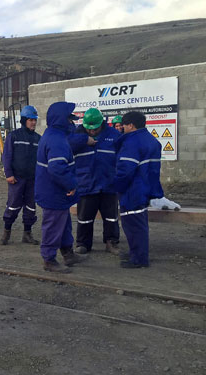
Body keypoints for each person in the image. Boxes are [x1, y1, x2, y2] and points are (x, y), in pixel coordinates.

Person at [35, 102, 84, 273]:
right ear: (62, 120)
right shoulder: (57, 140)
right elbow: (57, 168)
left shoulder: (53, 135)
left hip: (53, 190)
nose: (73, 122)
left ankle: (68, 254)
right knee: (53, 225)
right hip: (54, 191)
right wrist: (70, 185)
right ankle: (48, 260)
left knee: (63, 224)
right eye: (70, 119)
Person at [112, 111, 164, 268]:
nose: (122, 129)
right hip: (146, 188)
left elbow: (125, 169)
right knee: (140, 223)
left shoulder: (132, 142)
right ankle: (138, 252)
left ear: (131, 125)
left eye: (124, 125)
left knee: (133, 225)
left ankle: (139, 259)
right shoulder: (151, 140)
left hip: (132, 190)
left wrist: (117, 186)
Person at [68, 108, 121, 255]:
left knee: (111, 217)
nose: (91, 131)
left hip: (108, 184)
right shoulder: (77, 135)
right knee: (84, 217)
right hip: (86, 183)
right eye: (88, 129)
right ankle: (83, 243)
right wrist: (84, 139)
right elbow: (65, 144)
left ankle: (111, 242)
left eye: (95, 129)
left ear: (102, 123)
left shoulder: (114, 135)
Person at [0, 105, 41, 245]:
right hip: (16, 179)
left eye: (35, 120)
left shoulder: (38, 138)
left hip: (32, 180)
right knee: (13, 206)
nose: (33, 123)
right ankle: (6, 232)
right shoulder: (14, 136)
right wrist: (9, 174)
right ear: (24, 120)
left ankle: (27, 234)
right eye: (30, 120)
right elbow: (6, 156)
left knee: (31, 207)